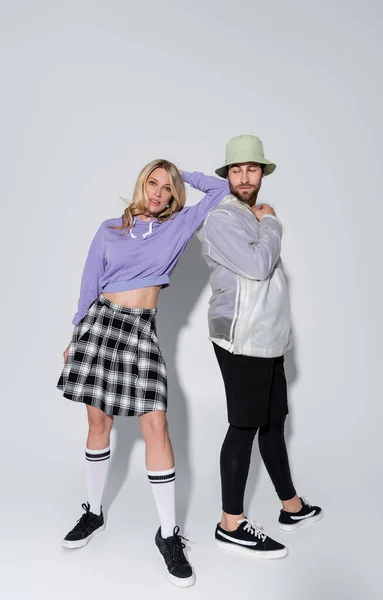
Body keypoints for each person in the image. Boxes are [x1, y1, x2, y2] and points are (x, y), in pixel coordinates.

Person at [57, 159, 229, 586]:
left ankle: (168, 534)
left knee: (156, 424)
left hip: (139, 332)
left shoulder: (178, 226)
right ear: (141, 184)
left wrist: (183, 172)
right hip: (101, 323)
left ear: (174, 195)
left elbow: (221, 191)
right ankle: (93, 512)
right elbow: (88, 283)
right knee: (98, 420)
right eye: (153, 183)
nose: (157, 192)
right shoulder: (109, 230)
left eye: (166, 187)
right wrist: (77, 333)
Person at [195, 135, 322, 558]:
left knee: (272, 422)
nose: (245, 177)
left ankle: (291, 505)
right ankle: (230, 522)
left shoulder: (250, 215)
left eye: (252, 169)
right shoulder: (222, 218)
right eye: (236, 170)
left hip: (266, 337)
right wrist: (272, 223)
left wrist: (263, 221)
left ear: (261, 173)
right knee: (244, 425)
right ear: (227, 175)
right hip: (240, 337)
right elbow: (257, 265)